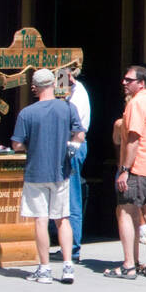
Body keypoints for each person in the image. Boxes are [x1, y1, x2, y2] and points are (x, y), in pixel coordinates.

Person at [11, 69, 85, 284]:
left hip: (36, 171)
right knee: (63, 219)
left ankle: (44, 269)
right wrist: (71, 147)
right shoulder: (68, 108)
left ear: (34, 87)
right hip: (61, 172)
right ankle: (68, 266)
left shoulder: (27, 113)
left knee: (41, 221)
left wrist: (30, 147)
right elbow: (79, 134)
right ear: (53, 84)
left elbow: (16, 144)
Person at [106, 64, 146, 280]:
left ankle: (129, 264)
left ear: (141, 83)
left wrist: (124, 169)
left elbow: (133, 138)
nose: (124, 82)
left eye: (128, 79)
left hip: (138, 165)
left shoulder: (136, 103)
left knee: (125, 212)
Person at [56, 68, 91, 260]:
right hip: (74, 145)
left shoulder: (75, 94)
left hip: (73, 146)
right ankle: (68, 246)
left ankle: (73, 248)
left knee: (71, 197)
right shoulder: (74, 90)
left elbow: (73, 126)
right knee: (67, 197)